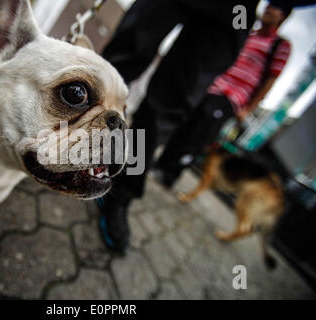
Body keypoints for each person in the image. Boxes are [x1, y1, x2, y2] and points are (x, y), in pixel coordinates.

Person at [96, 0, 289, 252]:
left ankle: (121, 190)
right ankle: (72, 132)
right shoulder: (255, 32)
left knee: (167, 106)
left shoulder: (266, 35)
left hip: (235, 10)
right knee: (126, 53)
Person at [154, 3, 292, 188]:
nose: (268, 9)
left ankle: (171, 173)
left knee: (199, 134)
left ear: (283, 16)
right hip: (213, 85)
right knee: (185, 123)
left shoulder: (280, 45)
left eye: (276, 7)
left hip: (232, 96)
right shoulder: (249, 32)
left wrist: (249, 109)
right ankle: (161, 164)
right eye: (268, 4)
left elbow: (270, 79)